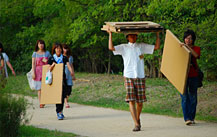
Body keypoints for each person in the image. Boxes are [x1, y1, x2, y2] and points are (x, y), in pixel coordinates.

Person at [107, 29, 160, 131]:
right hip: (128, 76)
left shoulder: (141, 46)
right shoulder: (124, 47)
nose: (133, 37)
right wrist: (110, 35)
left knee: (140, 102)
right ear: (127, 37)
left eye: (134, 35)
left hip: (140, 76)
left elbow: (156, 47)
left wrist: (157, 34)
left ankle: (137, 118)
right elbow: (111, 47)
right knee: (131, 100)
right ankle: (136, 123)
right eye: (131, 36)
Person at [48, 43, 74, 120]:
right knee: (58, 96)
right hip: (55, 80)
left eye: (59, 48)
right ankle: (59, 112)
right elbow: (48, 69)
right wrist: (52, 66)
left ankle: (60, 111)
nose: (58, 50)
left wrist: (71, 71)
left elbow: (68, 65)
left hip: (63, 79)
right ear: (54, 50)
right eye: (57, 48)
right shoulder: (52, 58)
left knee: (63, 95)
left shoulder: (64, 58)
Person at [180, 29, 200, 125]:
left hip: (193, 76)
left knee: (193, 97)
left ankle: (192, 117)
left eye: (191, 38)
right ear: (184, 39)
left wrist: (188, 47)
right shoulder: (180, 48)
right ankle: (186, 118)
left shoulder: (196, 48)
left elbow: (196, 55)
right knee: (184, 97)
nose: (188, 40)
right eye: (187, 38)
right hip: (182, 76)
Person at [32, 40, 51, 108]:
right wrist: (33, 72)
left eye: (42, 44)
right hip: (38, 71)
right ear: (37, 45)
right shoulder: (35, 53)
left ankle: (45, 100)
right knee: (39, 88)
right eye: (40, 44)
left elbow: (50, 60)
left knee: (45, 87)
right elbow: (33, 63)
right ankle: (41, 102)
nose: (41, 45)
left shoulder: (47, 53)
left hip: (45, 70)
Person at [62, 44, 76, 108]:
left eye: (66, 48)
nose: (65, 50)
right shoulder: (60, 57)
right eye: (64, 48)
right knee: (64, 88)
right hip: (63, 75)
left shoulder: (70, 57)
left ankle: (65, 100)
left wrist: (73, 73)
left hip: (69, 75)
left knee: (69, 90)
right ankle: (66, 102)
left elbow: (71, 65)